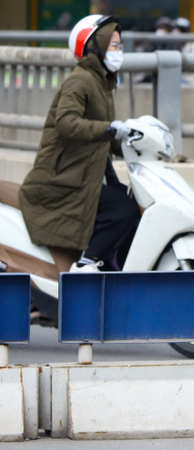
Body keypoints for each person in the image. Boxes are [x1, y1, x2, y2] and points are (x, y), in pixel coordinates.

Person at [18, 14, 139, 272]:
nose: (119, 51)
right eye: (113, 45)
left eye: (120, 46)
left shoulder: (101, 84)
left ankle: (110, 263)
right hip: (63, 177)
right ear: (94, 46)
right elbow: (67, 123)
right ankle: (87, 262)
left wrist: (134, 139)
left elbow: (103, 136)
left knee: (130, 200)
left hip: (85, 174)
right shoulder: (80, 80)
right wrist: (109, 129)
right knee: (124, 209)